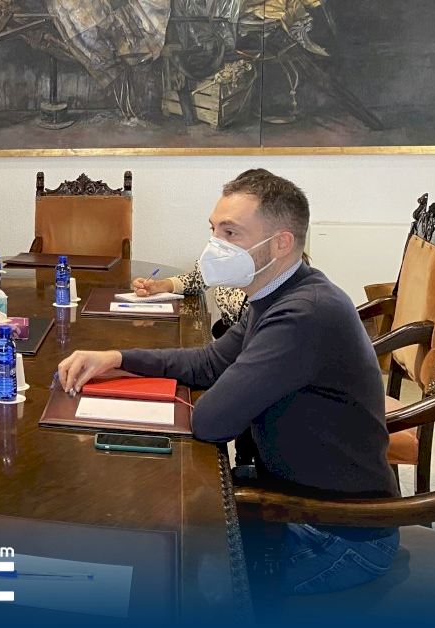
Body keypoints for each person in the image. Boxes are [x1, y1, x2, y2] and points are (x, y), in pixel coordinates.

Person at [58, 170, 400, 595]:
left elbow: (212, 421)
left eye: (231, 233)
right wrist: (116, 358)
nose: (215, 245)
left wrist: (222, 388)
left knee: (172, 581)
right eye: (214, 230)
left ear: (281, 243)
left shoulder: (303, 313)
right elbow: (210, 361)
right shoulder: (274, 293)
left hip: (335, 534)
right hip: (294, 497)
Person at [132, 262, 248, 338]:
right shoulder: (230, 253)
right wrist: (158, 286)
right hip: (229, 342)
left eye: (230, 233)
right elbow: (199, 279)